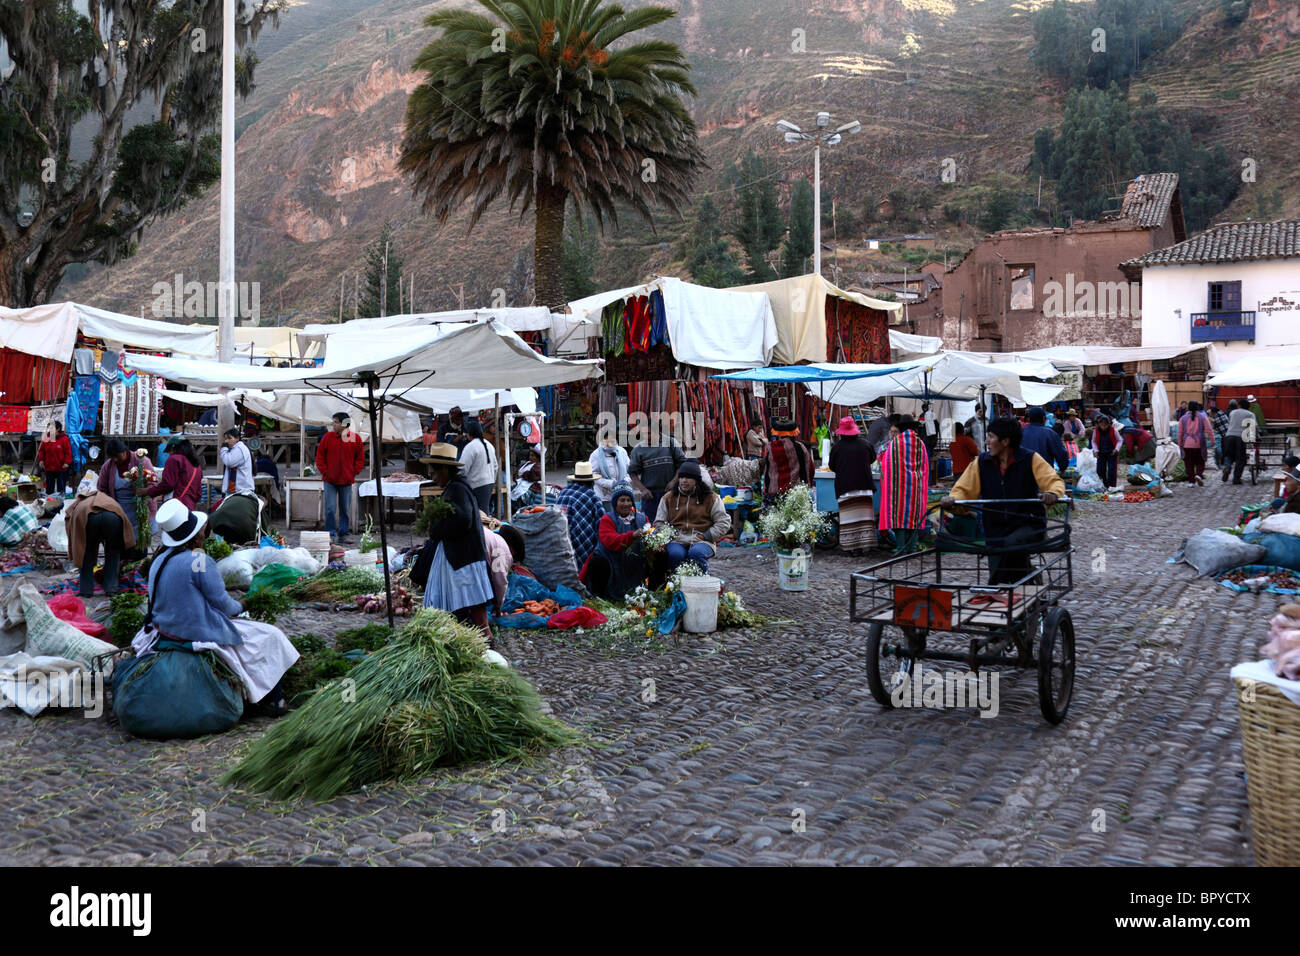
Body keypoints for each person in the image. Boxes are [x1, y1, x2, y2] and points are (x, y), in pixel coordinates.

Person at [138, 500, 298, 715]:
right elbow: (226, 608)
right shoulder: (199, 561)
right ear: (194, 537)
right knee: (270, 635)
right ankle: (272, 701)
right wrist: (246, 601)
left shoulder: (159, 559)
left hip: (163, 626)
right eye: (202, 532)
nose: (205, 534)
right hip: (191, 631)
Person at [942, 417, 1065, 584]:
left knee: (1011, 546)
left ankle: (993, 587)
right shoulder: (981, 462)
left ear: (1005, 441)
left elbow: (1053, 481)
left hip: (1029, 525)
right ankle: (1016, 583)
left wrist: (1052, 493)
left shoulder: (1031, 459)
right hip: (995, 528)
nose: (986, 442)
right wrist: (953, 500)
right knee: (999, 555)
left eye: (990, 437)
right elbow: (963, 489)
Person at [416, 444, 494, 641]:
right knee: (469, 599)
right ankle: (475, 637)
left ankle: (483, 638)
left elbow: (463, 520)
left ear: (445, 469)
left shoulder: (457, 489)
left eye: (435, 472)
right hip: (462, 555)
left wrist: (437, 529)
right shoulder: (456, 487)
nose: (434, 477)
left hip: (462, 556)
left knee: (469, 600)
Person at [654, 462, 730, 575]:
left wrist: (706, 535)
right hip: (677, 539)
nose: (684, 480)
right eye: (682, 477)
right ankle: (675, 585)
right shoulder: (668, 498)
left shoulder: (710, 498)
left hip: (702, 540)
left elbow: (724, 522)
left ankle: (701, 584)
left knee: (696, 553)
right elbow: (659, 522)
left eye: (689, 477)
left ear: (696, 480)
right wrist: (671, 534)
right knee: (675, 555)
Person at [66, 475, 135, 598]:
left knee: (86, 551)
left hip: (88, 519)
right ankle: (111, 588)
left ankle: (86, 590)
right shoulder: (108, 500)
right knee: (113, 552)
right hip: (112, 517)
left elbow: (72, 529)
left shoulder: (78, 504)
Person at [581, 482, 651, 601]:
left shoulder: (641, 519)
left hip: (634, 565)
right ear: (615, 503)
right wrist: (632, 536)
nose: (626, 504)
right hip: (612, 562)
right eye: (622, 500)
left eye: (629, 500)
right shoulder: (607, 519)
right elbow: (611, 541)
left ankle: (650, 591)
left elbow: (650, 535)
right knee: (597, 562)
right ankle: (600, 597)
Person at [879, 418, 931, 555]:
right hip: (916, 488)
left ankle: (901, 547)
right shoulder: (920, 443)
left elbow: (886, 465)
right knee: (914, 518)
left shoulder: (895, 443)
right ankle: (912, 548)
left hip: (898, 489)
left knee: (899, 518)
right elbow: (925, 466)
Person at [315, 411, 365, 545]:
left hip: (346, 480)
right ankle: (330, 534)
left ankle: (343, 534)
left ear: (344, 424)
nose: (333, 425)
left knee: (345, 509)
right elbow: (320, 456)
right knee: (330, 508)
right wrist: (325, 472)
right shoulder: (327, 437)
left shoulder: (354, 438)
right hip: (329, 480)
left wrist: (353, 472)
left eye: (336, 422)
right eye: (333, 422)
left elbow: (360, 458)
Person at [97, 438, 157, 548]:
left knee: (139, 544)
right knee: (122, 543)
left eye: (117, 456)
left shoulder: (141, 460)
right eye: (112, 457)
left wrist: (144, 491)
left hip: (139, 510)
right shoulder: (108, 466)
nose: (115, 459)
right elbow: (102, 488)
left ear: (124, 451)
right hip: (118, 510)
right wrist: (109, 505)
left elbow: (154, 484)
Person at [555, 461, 604, 572]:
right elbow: (601, 525)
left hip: (561, 542)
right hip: (582, 546)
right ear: (591, 481)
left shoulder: (563, 492)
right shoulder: (592, 497)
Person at [629, 434, 684, 524]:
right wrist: (643, 490)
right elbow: (632, 473)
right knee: (650, 527)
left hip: (671, 493)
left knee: (674, 524)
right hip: (650, 496)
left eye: (651, 434)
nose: (648, 437)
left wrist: (674, 481)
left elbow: (682, 463)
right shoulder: (638, 449)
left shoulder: (671, 443)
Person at [145, 436, 204, 512]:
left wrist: (148, 491)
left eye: (169, 450)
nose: (169, 454)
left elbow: (168, 484)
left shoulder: (174, 459)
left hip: (175, 507)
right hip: (190, 507)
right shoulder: (196, 465)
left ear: (173, 448)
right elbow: (198, 493)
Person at [762, 417, 814, 502]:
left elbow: (767, 468)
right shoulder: (800, 447)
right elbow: (810, 467)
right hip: (795, 492)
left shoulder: (770, 448)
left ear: (777, 433)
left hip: (773, 491)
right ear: (794, 432)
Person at [827, 416, 875, 499]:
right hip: (865, 487)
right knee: (864, 512)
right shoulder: (866, 444)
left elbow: (832, 466)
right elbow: (872, 459)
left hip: (845, 489)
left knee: (847, 512)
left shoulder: (837, 447)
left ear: (841, 433)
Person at [458, 419, 499, 514]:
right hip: (489, 483)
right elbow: (496, 467)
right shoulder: (489, 445)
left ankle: (481, 529)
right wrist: (492, 480)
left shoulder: (471, 446)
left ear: (469, 434)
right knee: (484, 511)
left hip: (476, 485)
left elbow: (462, 468)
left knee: (477, 513)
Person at [588, 436, 631, 511]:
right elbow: (593, 475)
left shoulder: (622, 452)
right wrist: (612, 484)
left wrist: (624, 482)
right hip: (604, 496)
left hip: (622, 493)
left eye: (612, 440)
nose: (609, 443)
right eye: (606, 440)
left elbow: (630, 471)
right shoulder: (596, 454)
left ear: (616, 440)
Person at [1021, 407, 1069, 472]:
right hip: (1044, 476)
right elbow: (1062, 455)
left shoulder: (1021, 432)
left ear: (1029, 419)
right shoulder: (1050, 433)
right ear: (1044, 419)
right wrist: (1062, 468)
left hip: (1023, 475)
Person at [1178, 400, 1212, 487]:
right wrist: (1212, 440)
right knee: (1201, 461)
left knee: (1189, 463)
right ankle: (1198, 475)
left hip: (1186, 444)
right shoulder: (1203, 417)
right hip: (1199, 443)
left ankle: (1191, 482)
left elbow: (1180, 433)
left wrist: (1180, 444)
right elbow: (1209, 430)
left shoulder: (1183, 418)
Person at [36, 421, 72, 496]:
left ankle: (61, 502)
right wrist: (41, 460)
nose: (50, 430)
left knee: (61, 489)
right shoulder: (47, 437)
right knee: (49, 489)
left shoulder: (64, 438)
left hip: (61, 467)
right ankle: (49, 502)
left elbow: (68, 452)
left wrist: (66, 463)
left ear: (58, 429)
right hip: (49, 466)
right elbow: (41, 450)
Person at [1221, 399, 1253, 485]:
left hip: (1229, 435)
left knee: (1228, 455)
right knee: (1240, 458)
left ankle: (1227, 467)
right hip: (1241, 437)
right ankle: (1236, 478)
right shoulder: (1250, 414)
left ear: (1239, 405)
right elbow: (1253, 427)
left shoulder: (1232, 412)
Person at [218, 427, 254, 498]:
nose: (227, 441)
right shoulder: (236, 449)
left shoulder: (240, 449)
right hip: (238, 490)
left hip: (242, 491)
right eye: (225, 439)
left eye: (229, 438)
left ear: (237, 438)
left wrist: (223, 449)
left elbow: (229, 462)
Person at [1090, 415, 1121, 489]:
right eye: (1101, 425)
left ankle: (1112, 487)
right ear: (1099, 424)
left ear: (1108, 424)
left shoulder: (1113, 430)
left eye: (1105, 425)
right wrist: (1096, 450)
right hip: (1101, 452)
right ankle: (1104, 485)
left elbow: (1119, 440)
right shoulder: (1096, 431)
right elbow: (1093, 441)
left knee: (1111, 471)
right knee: (1100, 470)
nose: (1103, 427)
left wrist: (1116, 449)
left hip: (1112, 452)